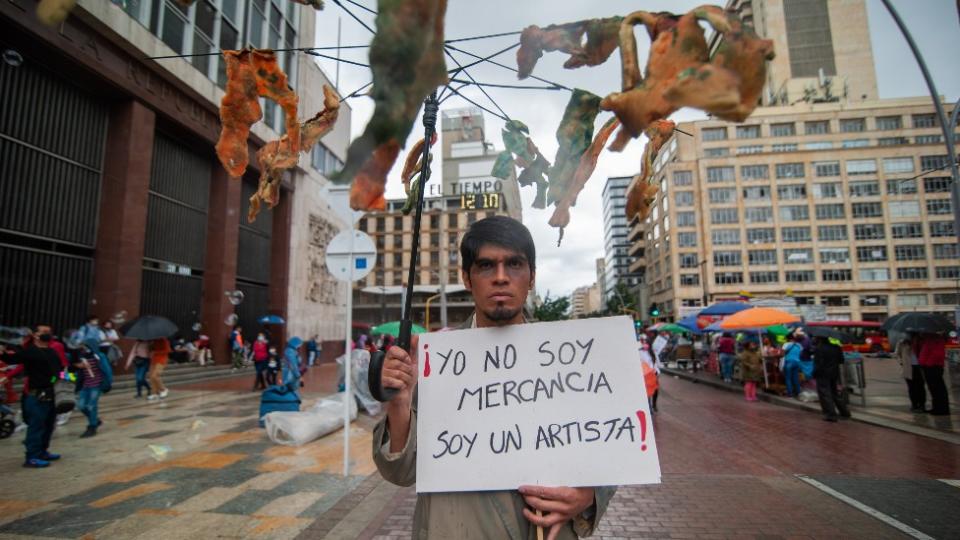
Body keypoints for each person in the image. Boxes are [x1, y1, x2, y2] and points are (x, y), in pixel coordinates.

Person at [373, 216, 614, 538]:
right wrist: (400, 405)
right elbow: (401, 471)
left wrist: (589, 495)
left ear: (531, 277)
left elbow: (611, 446)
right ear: (468, 279)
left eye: (514, 264)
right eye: (486, 266)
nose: (501, 278)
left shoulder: (571, 361)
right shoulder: (434, 365)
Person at [11, 326, 62, 468]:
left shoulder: (52, 351)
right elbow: (11, 360)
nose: (47, 335)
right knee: (36, 426)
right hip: (36, 396)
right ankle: (31, 457)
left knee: (48, 425)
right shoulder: (29, 352)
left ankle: (42, 452)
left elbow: (57, 373)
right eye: (43, 332)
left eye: (48, 332)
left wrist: (72, 376)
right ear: (35, 335)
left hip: (51, 394)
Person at [74, 338, 112, 437]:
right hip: (85, 385)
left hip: (96, 385)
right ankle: (95, 420)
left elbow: (107, 370)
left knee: (91, 406)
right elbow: (73, 373)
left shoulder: (99, 357)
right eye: (82, 347)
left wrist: (108, 383)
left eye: (86, 346)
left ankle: (92, 426)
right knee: (81, 405)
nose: (84, 349)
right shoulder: (80, 358)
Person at [812, 337, 850, 422]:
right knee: (835, 393)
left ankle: (830, 414)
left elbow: (819, 363)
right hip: (834, 373)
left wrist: (815, 373)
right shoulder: (836, 347)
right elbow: (841, 360)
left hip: (822, 374)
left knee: (825, 394)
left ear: (820, 339)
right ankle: (844, 412)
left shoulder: (819, 349)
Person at [914, 333, 950, 415]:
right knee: (933, 389)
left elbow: (937, 354)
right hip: (929, 367)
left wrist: (928, 364)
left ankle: (941, 409)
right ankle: (937, 407)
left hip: (933, 367)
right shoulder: (928, 340)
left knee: (937, 389)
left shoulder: (936, 340)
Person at [895, 336, 924, 412]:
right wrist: (901, 362)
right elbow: (897, 354)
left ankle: (921, 405)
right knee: (911, 388)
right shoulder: (902, 342)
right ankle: (914, 404)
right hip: (908, 367)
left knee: (920, 387)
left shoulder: (921, 341)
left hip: (919, 367)